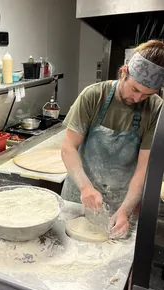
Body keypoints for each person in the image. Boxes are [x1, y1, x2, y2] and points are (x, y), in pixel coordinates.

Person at [61, 39, 164, 239]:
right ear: (123, 72)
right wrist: (85, 187)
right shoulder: (93, 96)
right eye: (135, 89)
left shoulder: (155, 108)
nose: (137, 99)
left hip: (121, 202)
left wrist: (125, 210)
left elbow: (144, 168)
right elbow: (68, 148)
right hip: (79, 196)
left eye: (147, 94)